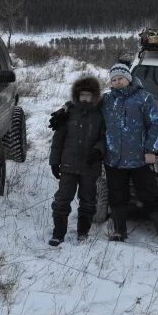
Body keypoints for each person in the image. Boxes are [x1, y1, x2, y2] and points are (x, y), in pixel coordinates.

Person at [101, 63, 158, 249]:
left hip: (139, 159)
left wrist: (150, 150)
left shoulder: (143, 98)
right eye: (113, 79)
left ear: (128, 79)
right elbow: (86, 108)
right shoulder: (106, 100)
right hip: (114, 159)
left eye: (120, 78)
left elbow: (156, 124)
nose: (116, 81)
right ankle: (119, 230)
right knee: (117, 196)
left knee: (151, 196)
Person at [47, 76, 105, 246]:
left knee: (88, 201)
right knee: (62, 200)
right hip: (68, 165)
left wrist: (98, 150)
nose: (85, 99)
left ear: (94, 96)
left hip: (90, 166)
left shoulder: (100, 115)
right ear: (77, 96)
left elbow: (105, 137)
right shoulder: (68, 113)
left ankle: (83, 232)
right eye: (82, 95)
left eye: (88, 95)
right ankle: (58, 233)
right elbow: (58, 140)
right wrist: (54, 162)